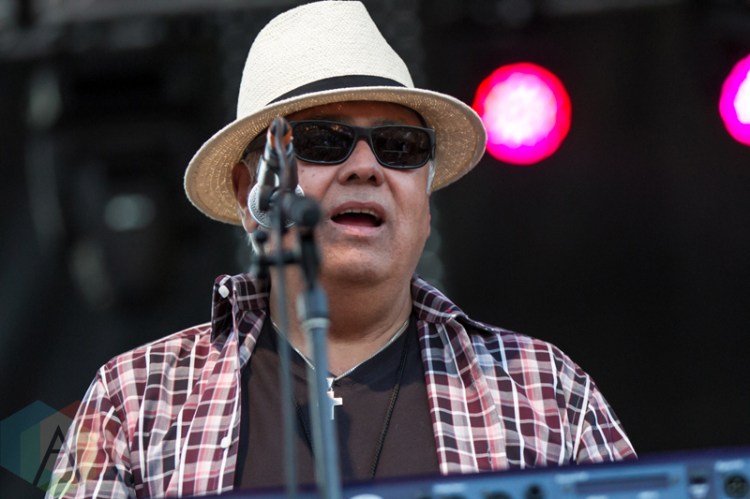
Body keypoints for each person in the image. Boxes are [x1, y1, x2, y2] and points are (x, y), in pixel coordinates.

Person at [47, 1, 635, 497]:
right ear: (248, 193)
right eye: (323, 141)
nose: (365, 167)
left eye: (399, 146)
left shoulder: (543, 390)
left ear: (426, 200)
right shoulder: (135, 400)